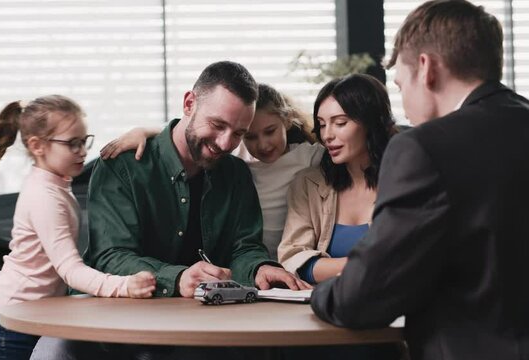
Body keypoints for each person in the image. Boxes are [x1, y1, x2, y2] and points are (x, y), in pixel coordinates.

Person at [32, 61, 309, 359]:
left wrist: (259, 268)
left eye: (239, 133)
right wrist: (177, 278)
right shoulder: (122, 166)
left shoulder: (236, 173)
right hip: (116, 322)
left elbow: (244, 247)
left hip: (202, 328)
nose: (226, 143)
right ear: (189, 103)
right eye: (217, 125)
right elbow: (110, 256)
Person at [310, 1, 529, 360]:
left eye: (399, 84)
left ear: (426, 69)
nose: (403, 104)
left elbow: (361, 297)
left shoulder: (422, 148)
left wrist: (320, 293)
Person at [0, 95, 156, 359]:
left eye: (84, 141)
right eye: (72, 144)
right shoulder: (45, 196)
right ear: (37, 146)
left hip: (26, 315)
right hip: (5, 321)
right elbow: (69, 270)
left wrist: (143, 131)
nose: (82, 151)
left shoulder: (56, 183)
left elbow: (181, 134)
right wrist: (125, 286)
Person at [100, 83, 325, 260]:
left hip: (291, 258)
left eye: (270, 131)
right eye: (250, 136)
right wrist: (145, 131)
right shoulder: (238, 159)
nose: (263, 144)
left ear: (286, 120)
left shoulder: (310, 156)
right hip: (249, 262)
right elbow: (189, 136)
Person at [279, 74, 400, 360]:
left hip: (386, 322)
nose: (327, 135)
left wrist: (335, 268)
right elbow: (294, 258)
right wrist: (359, 267)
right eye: (321, 125)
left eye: (340, 123)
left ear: (371, 122)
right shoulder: (307, 184)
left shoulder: (403, 180)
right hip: (320, 317)